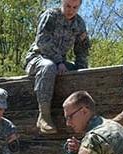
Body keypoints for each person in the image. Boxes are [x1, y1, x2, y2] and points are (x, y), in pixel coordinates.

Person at [25, 0, 90, 134]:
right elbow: (42, 42)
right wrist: (58, 61)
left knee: (78, 71)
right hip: (38, 58)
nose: (71, 10)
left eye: (75, 7)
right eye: (68, 6)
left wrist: (83, 71)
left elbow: (82, 49)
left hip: (59, 63)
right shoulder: (50, 16)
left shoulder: (79, 24)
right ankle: (44, 116)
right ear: (62, 2)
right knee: (49, 67)